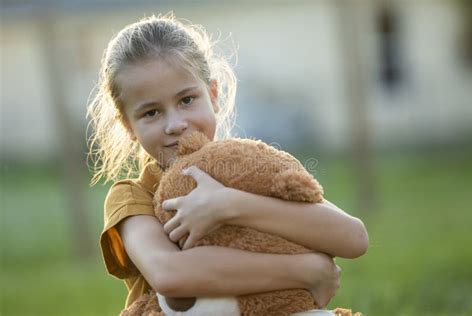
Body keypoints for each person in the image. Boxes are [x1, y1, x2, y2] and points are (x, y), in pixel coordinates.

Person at [87, 13, 369, 312]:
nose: (175, 124)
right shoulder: (133, 195)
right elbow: (170, 274)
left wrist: (230, 204)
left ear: (213, 95)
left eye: (186, 100)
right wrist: (307, 270)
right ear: (128, 126)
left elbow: (353, 238)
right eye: (151, 113)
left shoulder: (247, 171)